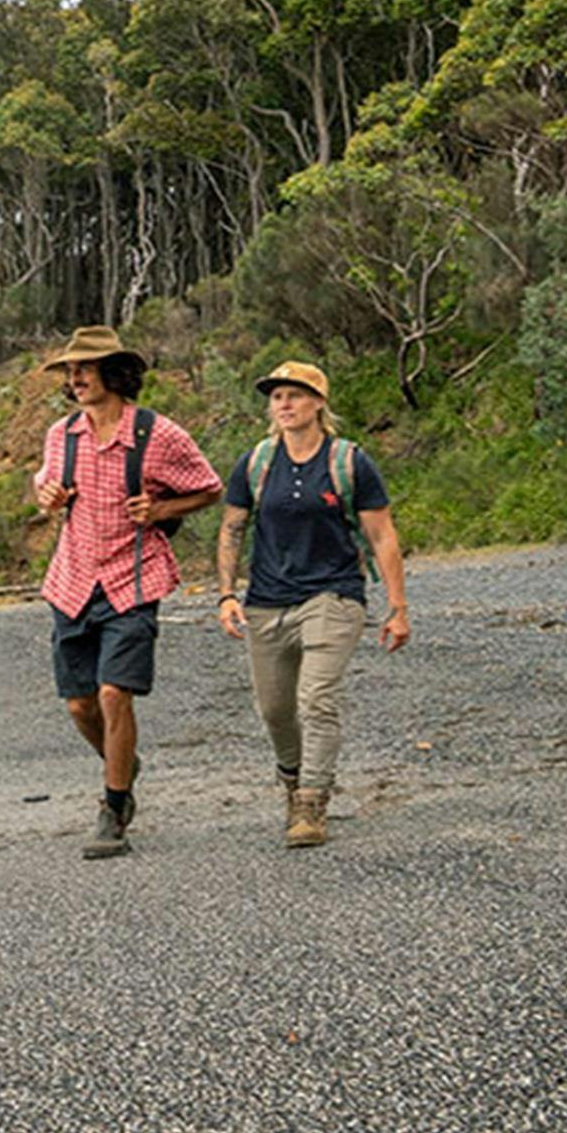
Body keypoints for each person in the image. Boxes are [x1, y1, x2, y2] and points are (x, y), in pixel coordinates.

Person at [32, 326, 222, 859]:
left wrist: (162, 510)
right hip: (71, 581)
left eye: (85, 368)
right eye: (71, 372)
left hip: (133, 579)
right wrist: (47, 494)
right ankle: (124, 762)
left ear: (113, 373)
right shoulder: (60, 435)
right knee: (78, 705)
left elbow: (209, 487)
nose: (76, 379)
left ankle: (114, 807)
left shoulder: (157, 435)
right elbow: (45, 485)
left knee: (116, 693)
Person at [215, 361, 410, 848]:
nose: (284, 405)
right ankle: (293, 780)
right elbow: (232, 529)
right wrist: (225, 594)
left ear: (319, 403)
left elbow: (381, 535)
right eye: (277, 397)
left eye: (295, 396)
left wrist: (397, 605)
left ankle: (311, 801)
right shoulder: (256, 463)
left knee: (317, 698)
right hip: (266, 601)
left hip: (334, 594)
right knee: (275, 709)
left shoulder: (348, 462)